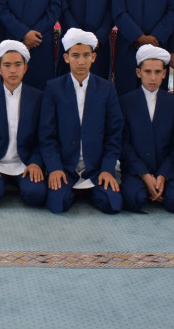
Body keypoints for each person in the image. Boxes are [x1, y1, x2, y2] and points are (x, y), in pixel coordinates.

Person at [39, 28, 123, 215]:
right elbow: (47, 135)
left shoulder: (107, 89)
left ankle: (91, 190)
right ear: (66, 58)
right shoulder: (54, 88)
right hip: (65, 169)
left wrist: (107, 169)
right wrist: (54, 168)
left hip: (96, 169)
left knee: (113, 204)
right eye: (75, 56)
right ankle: (73, 190)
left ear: (94, 57)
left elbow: (114, 134)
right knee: (58, 204)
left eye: (86, 55)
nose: (81, 61)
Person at [119, 45, 174, 214]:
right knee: (135, 199)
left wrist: (163, 175)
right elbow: (123, 143)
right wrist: (144, 175)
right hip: (137, 169)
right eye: (148, 71)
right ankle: (147, 187)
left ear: (164, 74)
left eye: (158, 72)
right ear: (138, 73)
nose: (153, 77)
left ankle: (159, 186)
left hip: (166, 168)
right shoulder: (125, 102)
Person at [0, 40, 46, 208]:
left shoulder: (38, 98)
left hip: (25, 163)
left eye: (18, 65)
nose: (13, 70)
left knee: (36, 196)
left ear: (25, 68)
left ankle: (16, 183)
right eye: (7, 65)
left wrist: (35, 162)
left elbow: (43, 137)